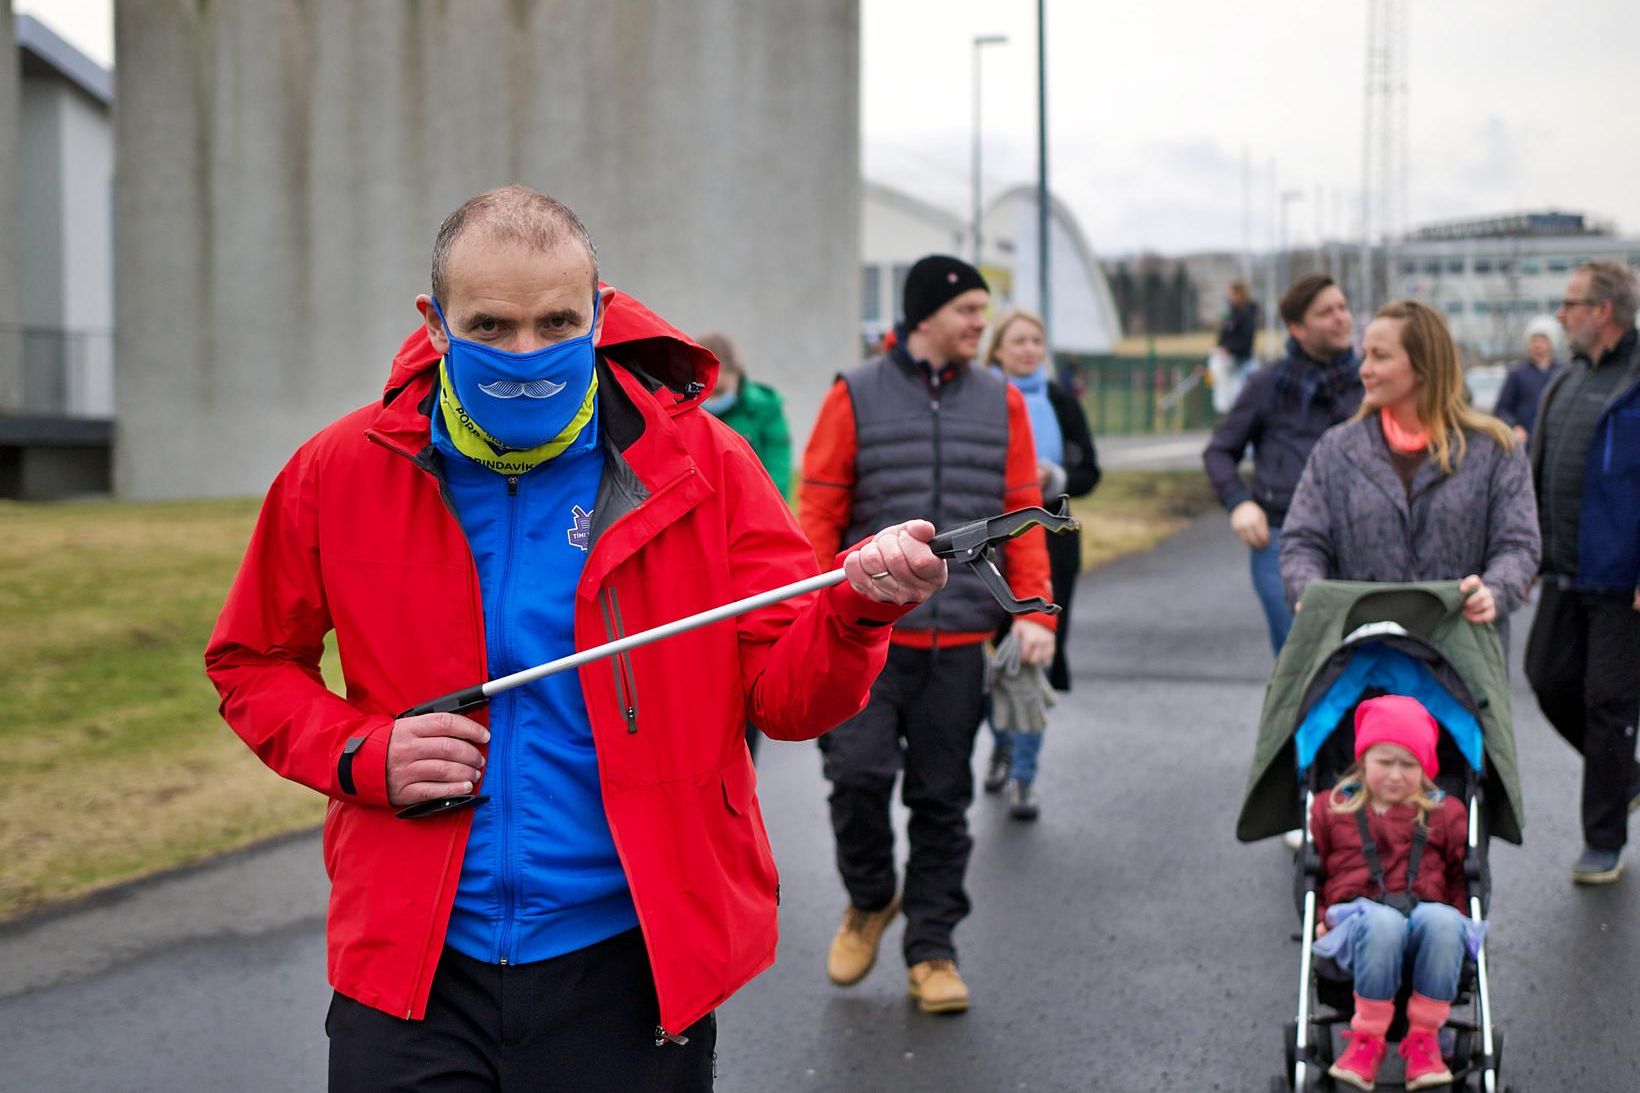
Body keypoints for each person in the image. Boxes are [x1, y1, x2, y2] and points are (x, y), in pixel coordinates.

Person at [204, 185, 951, 1092]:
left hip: (628, 958)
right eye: (491, 325)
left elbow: (790, 701)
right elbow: (251, 661)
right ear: (434, 325)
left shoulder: (704, 468)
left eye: (558, 320)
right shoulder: (339, 469)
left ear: (600, 310)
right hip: (412, 965)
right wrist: (363, 750)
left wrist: (856, 610)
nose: (528, 354)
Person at [800, 254, 1056, 1014]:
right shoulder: (854, 392)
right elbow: (815, 511)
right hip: (860, 644)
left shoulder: (1001, 399)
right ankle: (872, 896)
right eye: (969, 310)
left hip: (957, 644)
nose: (983, 323)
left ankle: (934, 948)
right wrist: (804, 615)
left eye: (984, 310)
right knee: (857, 778)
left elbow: (1021, 507)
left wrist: (1033, 611)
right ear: (925, 316)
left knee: (943, 799)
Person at [1280, 300, 1539, 650]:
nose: (1364, 369)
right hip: (1362, 663)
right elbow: (1302, 541)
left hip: (1462, 660)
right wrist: (1307, 591)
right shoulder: (1337, 449)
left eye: (1380, 356)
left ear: (1423, 366)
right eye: (1365, 355)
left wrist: (1495, 591)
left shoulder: (1495, 449)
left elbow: (1518, 544)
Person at [1524, 259, 1640, 886]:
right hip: (1563, 572)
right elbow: (1542, 469)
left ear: (1602, 311)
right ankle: (1625, 775)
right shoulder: (1566, 381)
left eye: (1571, 304)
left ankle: (1603, 840)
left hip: (1623, 581)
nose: (1562, 315)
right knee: (1545, 678)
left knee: (1609, 702)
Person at [1311, 696, 1475, 1092]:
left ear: (1426, 768)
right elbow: (1312, 875)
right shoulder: (1332, 809)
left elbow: (1460, 880)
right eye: (1385, 762)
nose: (1396, 776)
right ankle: (1367, 1040)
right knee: (1382, 921)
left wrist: (1462, 919)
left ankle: (1424, 1040)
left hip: (1423, 924)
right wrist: (1317, 916)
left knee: (1444, 919)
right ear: (1363, 760)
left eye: (1409, 765)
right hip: (1353, 926)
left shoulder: (1446, 814)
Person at [977, 308, 1101, 818]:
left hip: (1050, 542)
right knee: (985, 657)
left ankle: (1024, 776)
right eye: (1019, 341)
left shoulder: (1060, 401)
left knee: (1033, 654)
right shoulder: (978, 399)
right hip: (986, 543)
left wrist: (1057, 475)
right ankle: (1002, 735)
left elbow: (1090, 471)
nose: (1029, 349)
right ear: (998, 350)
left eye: (1037, 341)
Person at [1203, 274, 1362, 656]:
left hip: (1359, 540)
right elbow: (1220, 451)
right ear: (1298, 329)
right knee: (1304, 660)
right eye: (1326, 312)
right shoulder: (1268, 384)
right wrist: (1239, 502)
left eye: (1342, 307)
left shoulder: (1369, 382)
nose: (1341, 318)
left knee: (1362, 663)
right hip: (1281, 540)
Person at [694, 331, 793, 500]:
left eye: (720, 391)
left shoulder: (766, 409)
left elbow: (777, 479)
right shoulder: (680, 408)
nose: (713, 399)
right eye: (706, 390)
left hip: (751, 511)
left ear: (737, 376)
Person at [1493, 316, 1564, 444]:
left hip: (1555, 442)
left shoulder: (1563, 373)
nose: (1537, 345)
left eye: (1542, 340)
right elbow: (1502, 409)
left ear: (1552, 343)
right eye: (1534, 341)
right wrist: (1514, 426)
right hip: (1526, 443)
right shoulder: (1517, 373)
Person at [1208, 280, 1261, 413]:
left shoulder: (1247, 314)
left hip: (1242, 362)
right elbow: (1223, 335)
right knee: (1227, 402)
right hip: (1228, 362)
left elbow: (1246, 340)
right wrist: (1220, 347)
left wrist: (1229, 349)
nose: (1229, 297)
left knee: (1242, 400)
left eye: (1231, 294)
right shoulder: (1230, 313)